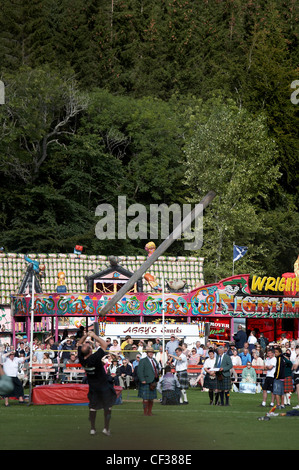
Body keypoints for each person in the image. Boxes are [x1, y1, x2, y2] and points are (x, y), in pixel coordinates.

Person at [77, 331, 117, 436]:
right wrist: (94, 335)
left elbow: (79, 344)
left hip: (93, 387)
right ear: (90, 351)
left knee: (93, 407)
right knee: (108, 407)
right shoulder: (94, 357)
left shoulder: (82, 358)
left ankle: (93, 429)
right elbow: (104, 344)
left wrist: (85, 336)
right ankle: (106, 428)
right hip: (103, 386)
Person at [137, 347, 159, 416]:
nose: (151, 353)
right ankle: (145, 412)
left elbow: (157, 369)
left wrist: (157, 377)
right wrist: (142, 379)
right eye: (149, 352)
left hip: (153, 381)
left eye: (152, 352)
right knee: (145, 398)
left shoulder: (155, 361)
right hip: (146, 381)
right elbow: (140, 371)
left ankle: (150, 412)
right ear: (147, 353)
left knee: (151, 399)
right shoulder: (143, 361)